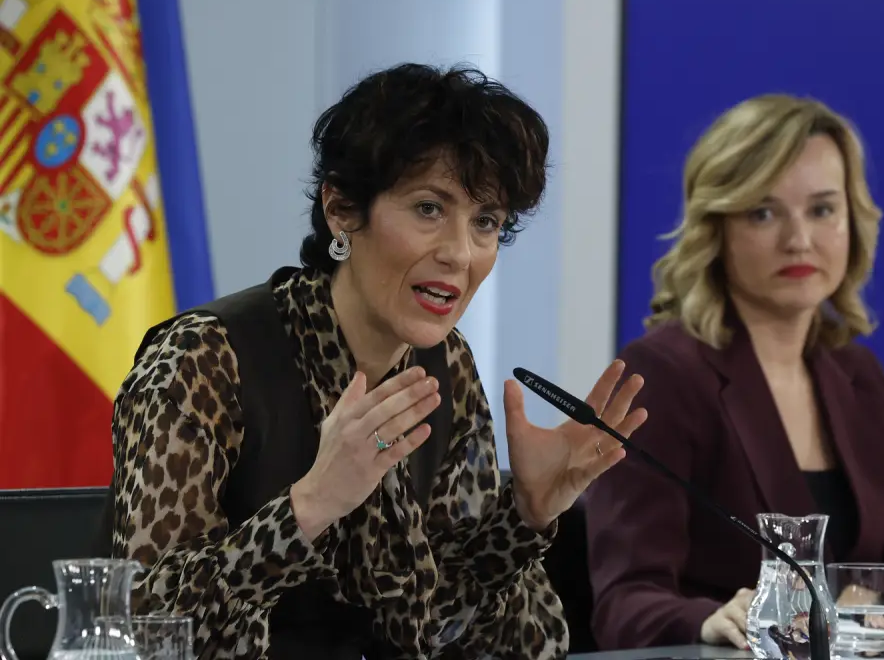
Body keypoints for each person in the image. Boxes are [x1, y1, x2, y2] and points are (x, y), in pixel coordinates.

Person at [107, 64, 647, 660]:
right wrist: (310, 506)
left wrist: (524, 517)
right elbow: (144, 629)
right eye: (428, 209)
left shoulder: (445, 367)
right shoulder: (202, 361)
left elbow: (488, 638)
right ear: (341, 209)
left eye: (485, 222)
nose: (459, 253)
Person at [583, 94, 884, 651]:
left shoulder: (856, 377)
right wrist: (708, 620)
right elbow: (626, 600)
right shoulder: (664, 375)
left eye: (822, 210)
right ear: (716, 229)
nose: (799, 240)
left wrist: (865, 603)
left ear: (853, 222)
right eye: (763, 214)